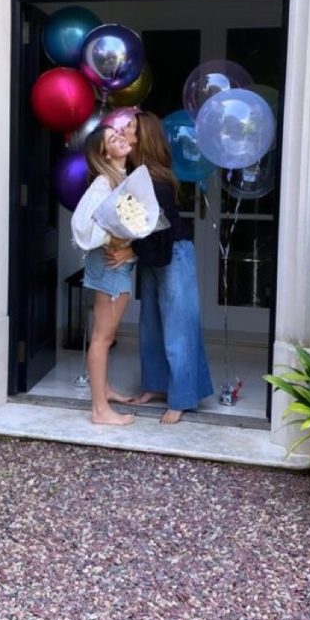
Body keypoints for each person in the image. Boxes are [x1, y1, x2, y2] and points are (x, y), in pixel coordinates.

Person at [106, 111, 214, 424]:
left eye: (130, 126)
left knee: (179, 327)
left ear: (143, 137)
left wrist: (130, 251)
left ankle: (181, 398)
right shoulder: (136, 174)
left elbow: (160, 232)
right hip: (153, 254)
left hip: (173, 253)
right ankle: (155, 385)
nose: (123, 129)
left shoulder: (158, 179)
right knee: (151, 323)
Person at [71, 125, 136, 426]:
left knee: (107, 336)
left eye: (119, 133)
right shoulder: (103, 183)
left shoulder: (119, 178)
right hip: (109, 265)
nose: (120, 137)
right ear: (104, 153)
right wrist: (111, 239)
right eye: (113, 138)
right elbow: (82, 224)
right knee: (102, 337)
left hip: (117, 264)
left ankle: (105, 390)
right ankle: (99, 410)